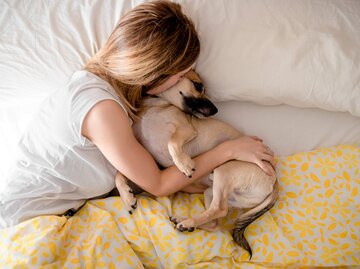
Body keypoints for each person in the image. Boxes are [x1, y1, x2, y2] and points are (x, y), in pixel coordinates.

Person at [0, 0, 274, 228]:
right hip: (25, 222)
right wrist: (230, 150)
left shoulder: (99, 88)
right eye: (179, 74)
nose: (181, 81)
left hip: (58, 215)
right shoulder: (102, 109)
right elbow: (158, 184)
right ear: (153, 71)